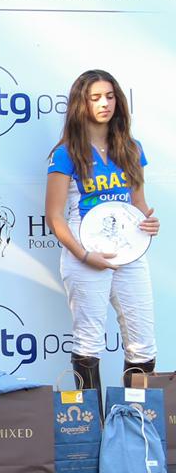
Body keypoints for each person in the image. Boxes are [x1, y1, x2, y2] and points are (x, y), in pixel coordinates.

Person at [45, 69, 159, 398]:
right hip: (85, 252)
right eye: (95, 98)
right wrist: (84, 255)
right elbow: (54, 216)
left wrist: (149, 223)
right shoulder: (66, 153)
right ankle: (92, 423)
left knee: (142, 342)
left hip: (130, 252)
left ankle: (135, 417)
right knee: (88, 340)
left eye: (109, 96)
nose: (104, 103)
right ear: (81, 104)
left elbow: (139, 204)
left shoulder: (132, 148)